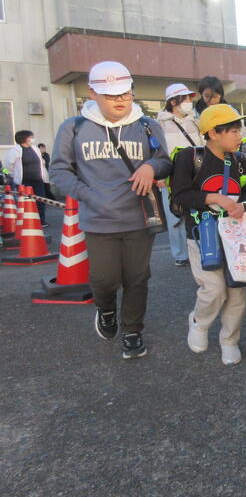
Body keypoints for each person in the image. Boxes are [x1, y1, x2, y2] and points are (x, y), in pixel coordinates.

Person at [50, 61, 172, 359]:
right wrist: (89, 195)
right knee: (104, 279)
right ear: (92, 93)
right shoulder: (74, 127)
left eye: (125, 93)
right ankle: (106, 310)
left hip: (140, 218)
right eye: (111, 95)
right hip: (98, 220)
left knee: (137, 278)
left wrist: (151, 166)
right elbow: (59, 172)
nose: (120, 100)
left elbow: (164, 160)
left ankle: (132, 331)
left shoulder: (147, 125)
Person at [170, 104, 246, 366]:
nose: (240, 136)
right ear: (214, 133)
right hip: (201, 235)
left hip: (235, 237)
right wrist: (214, 198)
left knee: (237, 294)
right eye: (233, 131)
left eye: (239, 130)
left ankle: (229, 341)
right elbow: (180, 195)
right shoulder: (189, 157)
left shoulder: (239, 161)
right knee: (214, 288)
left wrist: (243, 207)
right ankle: (199, 321)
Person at [156, 83, 203, 266]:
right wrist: (160, 176)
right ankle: (181, 255)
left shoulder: (195, 122)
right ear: (173, 101)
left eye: (190, 98)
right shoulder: (160, 123)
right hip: (170, 177)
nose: (189, 101)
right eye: (185, 98)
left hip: (195, 175)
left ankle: (198, 249)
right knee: (175, 216)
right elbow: (157, 151)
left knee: (197, 213)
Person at [7, 131, 49, 226]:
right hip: (24, 182)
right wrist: (12, 175)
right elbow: (8, 166)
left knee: (40, 201)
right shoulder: (15, 150)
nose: (32, 139)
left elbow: (41, 163)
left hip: (38, 180)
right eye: (31, 137)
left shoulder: (35, 149)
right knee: (26, 202)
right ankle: (27, 223)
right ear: (24, 138)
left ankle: (41, 221)